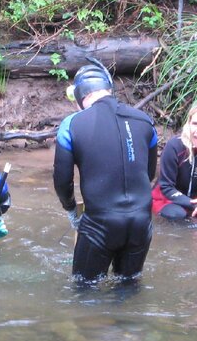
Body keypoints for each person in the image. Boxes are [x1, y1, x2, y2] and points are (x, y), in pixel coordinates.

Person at [53, 61, 159, 283]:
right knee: (128, 288)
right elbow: (148, 174)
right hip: (141, 222)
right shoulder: (145, 121)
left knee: (85, 291)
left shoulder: (71, 124)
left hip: (99, 225)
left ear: (79, 95)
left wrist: (71, 209)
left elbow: (62, 181)